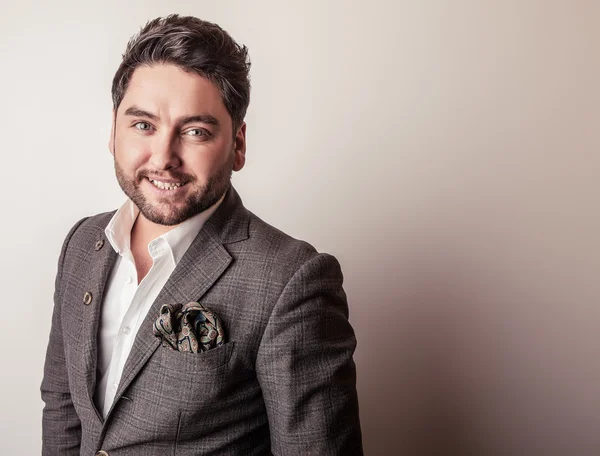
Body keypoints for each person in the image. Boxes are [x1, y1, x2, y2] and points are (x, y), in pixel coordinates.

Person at [41, 14, 363, 456]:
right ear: (113, 130)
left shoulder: (292, 279)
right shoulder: (82, 243)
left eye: (195, 131)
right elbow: (63, 407)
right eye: (143, 125)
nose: (164, 157)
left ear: (238, 144)